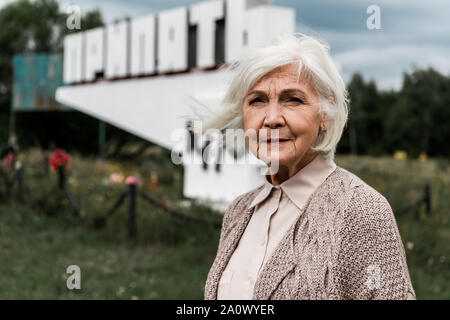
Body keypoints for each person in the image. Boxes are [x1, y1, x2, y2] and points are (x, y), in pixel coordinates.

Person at [203, 34, 416, 300]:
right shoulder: (238, 211)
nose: (271, 119)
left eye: (293, 99)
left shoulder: (363, 211)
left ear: (325, 115)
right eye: (257, 100)